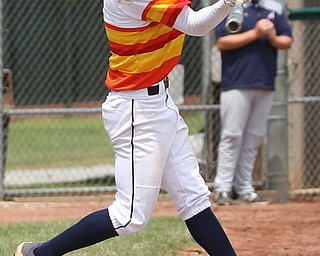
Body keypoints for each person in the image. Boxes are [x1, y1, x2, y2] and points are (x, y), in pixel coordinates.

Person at [14, 0, 252, 255]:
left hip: (159, 102)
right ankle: (40, 254)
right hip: (137, 110)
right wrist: (228, 3)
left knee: (193, 198)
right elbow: (194, 25)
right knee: (129, 217)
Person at [213, 0, 292, 205]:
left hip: (265, 81)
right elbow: (222, 42)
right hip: (236, 82)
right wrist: (255, 34)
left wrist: (272, 37)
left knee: (254, 138)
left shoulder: (274, 7)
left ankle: (245, 189)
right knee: (232, 136)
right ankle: (222, 189)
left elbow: (287, 40)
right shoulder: (231, 5)